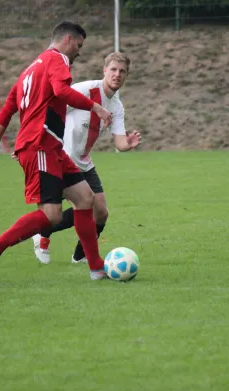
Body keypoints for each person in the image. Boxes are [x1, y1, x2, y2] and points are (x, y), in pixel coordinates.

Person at [0, 21, 113, 284]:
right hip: (39, 145)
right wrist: (96, 107)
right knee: (52, 216)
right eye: (79, 46)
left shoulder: (29, 70)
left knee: (86, 199)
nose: (79, 52)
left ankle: (96, 267)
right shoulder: (56, 59)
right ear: (68, 40)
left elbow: (6, 111)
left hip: (49, 147)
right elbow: (62, 91)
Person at [30, 52, 141, 265]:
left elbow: (119, 143)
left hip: (83, 161)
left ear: (127, 75)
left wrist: (128, 144)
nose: (117, 74)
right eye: (113, 70)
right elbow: (50, 109)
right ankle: (42, 232)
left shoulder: (116, 106)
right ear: (104, 71)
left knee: (101, 213)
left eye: (122, 71)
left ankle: (79, 256)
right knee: (63, 210)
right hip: (61, 158)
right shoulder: (85, 90)